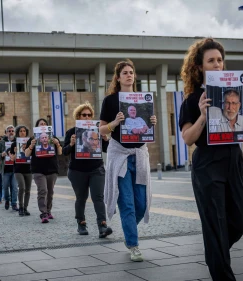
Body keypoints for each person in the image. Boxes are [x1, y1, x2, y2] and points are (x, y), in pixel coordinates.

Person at [179, 38, 243, 281]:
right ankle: (222, 270)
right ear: (200, 66)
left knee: (238, 222)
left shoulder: (235, 93)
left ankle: (216, 252)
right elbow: (187, 138)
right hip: (207, 165)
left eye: (220, 60)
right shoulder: (193, 100)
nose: (217, 65)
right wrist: (203, 115)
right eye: (211, 61)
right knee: (215, 226)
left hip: (234, 160)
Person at [98, 59, 157, 262]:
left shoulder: (143, 99)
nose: (129, 75)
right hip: (120, 155)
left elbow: (146, 130)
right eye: (124, 72)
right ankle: (133, 244)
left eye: (131, 72)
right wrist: (115, 122)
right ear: (118, 77)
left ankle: (128, 230)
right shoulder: (110, 101)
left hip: (139, 155)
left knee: (141, 205)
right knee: (128, 205)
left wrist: (152, 123)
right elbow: (102, 129)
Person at [63, 102, 113, 237]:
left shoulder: (97, 130)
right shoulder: (72, 132)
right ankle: (81, 223)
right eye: (84, 115)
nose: (87, 117)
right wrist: (72, 144)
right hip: (77, 170)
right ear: (78, 116)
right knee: (81, 197)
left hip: (96, 168)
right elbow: (64, 152)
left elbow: (107, 149)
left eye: (89, 115)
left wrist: (105, 139)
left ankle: (102, 226)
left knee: (98, 197)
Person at [25, 118, 62, 223]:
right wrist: (31, 145)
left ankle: (48, 211)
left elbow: (60, 152)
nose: (43, 125)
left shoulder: (53, 138)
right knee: (43, 191)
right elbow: (26, 154)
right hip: (38, 169)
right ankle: (43, 213)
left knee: (50, 192)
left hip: (52, 168)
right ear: (37, 127)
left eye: (45, 124)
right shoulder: (32, 139)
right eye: (40, 124)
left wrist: (57, 144)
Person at [10, 126, 32, 216]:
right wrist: (15, 152)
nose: (22, 132)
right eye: (20, 131)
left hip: (28, 169)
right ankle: (21, 207)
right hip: (18, 169)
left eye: (24, 131)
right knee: (21, 187)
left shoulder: (30, 142)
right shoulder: (14, 144)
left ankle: (25, 208)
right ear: (18, 133)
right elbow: (12, 159)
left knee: (28, 190)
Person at [0, 125, 19, 211]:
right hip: (5, 169)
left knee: (14, 187)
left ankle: (14, 203)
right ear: (6, 133)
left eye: (12, 131)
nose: (11, 132)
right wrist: (1, 154)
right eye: (9, 131)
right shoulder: (2, 142)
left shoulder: (18, 141)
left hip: (15, 168)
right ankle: (7, 200)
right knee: (5, 187)